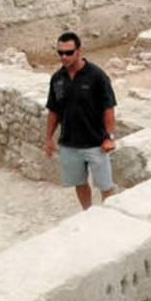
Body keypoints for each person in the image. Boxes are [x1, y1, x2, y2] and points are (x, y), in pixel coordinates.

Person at [44, 32, 118, 210]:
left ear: (79, 51)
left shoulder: (97, 76)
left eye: (68, 52)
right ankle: (88, 214)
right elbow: (53, 110)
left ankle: (110, 217)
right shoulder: (57, 79)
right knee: (79, 183)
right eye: (60, 52)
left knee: (105, 185)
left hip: (96, 143)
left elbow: (108, 108)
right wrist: (48, 139)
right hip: (70, 144)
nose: (64, 57)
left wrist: (109, 137)